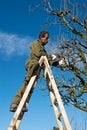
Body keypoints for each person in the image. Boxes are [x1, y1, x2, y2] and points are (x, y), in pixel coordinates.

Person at [10, 30, 58, 112]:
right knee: (26, 84)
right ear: (41, 37)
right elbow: (39, 55)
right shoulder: (35, 43)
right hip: (33, 65)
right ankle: (15, 103)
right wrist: (51, 56)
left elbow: (46, 59)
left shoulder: (43, 48)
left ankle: (22, 105)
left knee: (30, 88)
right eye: (46, 38)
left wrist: (57, 63)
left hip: (37, 68)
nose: (47, 40)